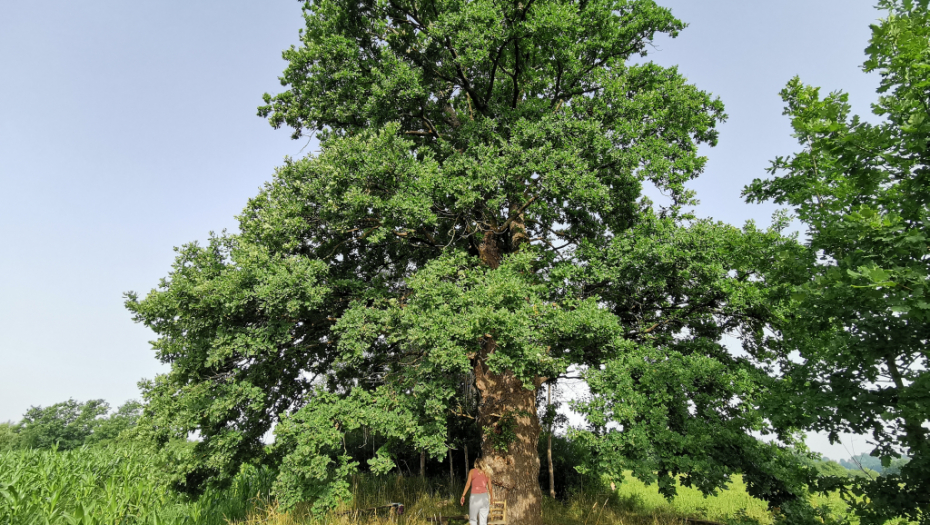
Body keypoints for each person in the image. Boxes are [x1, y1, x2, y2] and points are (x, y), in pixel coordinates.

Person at [460, 457, 495, 525]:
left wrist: (463, 495)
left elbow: (468, 484)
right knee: (483, 520)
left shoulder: (472, 471)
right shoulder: (487, 473)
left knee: (473, 519)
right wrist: (491, 497)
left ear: (475, 464)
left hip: (475, 497)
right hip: (484, 496)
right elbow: (490, 487)